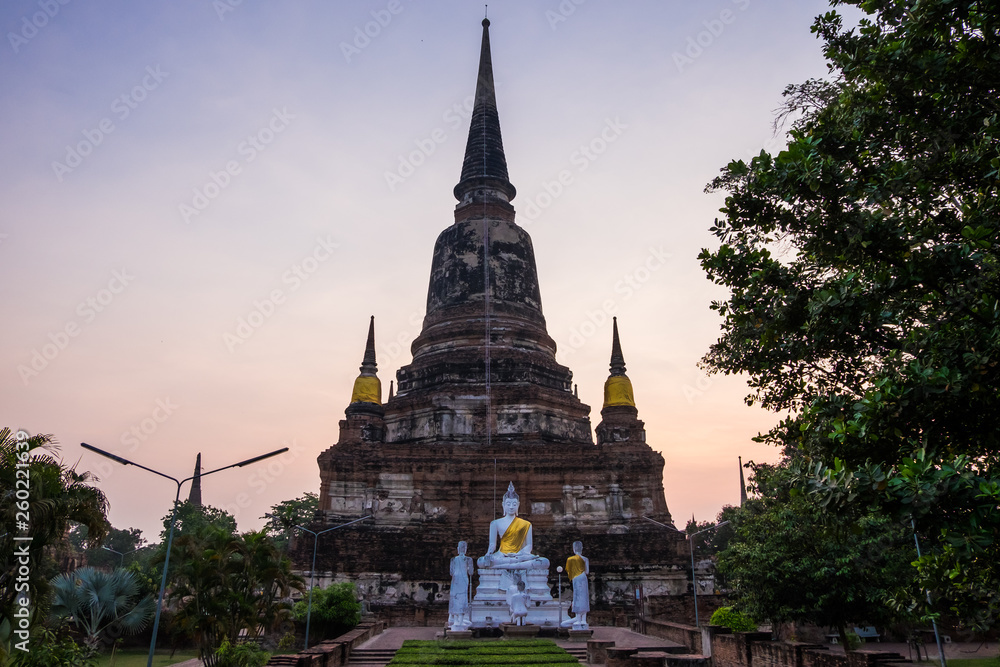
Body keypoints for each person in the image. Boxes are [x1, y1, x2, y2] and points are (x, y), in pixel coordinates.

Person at [477, 482, 549, 571]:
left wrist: (518, 554)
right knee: (481, 561)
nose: (511, 507)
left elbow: (529, 546)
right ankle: (513, 565)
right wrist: (489, 554)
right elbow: (492, 545)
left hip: (520, 556)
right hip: (501, 556)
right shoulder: (495, 523)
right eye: (508, 504)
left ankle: (506, 565)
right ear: (503, 505)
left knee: (544, 562)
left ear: (518, 505)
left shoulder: (526, 524)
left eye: (514, 504)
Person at [561, 541, 590, 629]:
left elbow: (568, 570)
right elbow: (587, 571)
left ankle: (578, 619)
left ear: (573, 549)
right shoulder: (585, 559)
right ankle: (583, 619)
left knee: (577, 597)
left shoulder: (570, 559)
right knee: (584, 597)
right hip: (583, 577)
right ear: (582, 549)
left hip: (576, 578)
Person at [448, 541, 473, 631]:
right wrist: (467, 568)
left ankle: (456, 621)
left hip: (456, 579)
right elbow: (471, 572)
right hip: (463, 580)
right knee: (462, 599)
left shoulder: (453, 560)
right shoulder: (468, 560)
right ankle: (460, 621)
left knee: (456, 598)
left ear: (458, 549)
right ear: (465, 549)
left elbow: (451, 572)